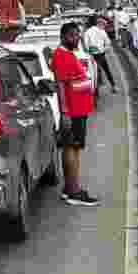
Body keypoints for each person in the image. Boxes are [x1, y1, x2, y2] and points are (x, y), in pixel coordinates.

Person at [50, 22, 100, 206]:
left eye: (78, 35)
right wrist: (65, 113)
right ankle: (74, 191)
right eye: (72, 35)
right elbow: (61, 86)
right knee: (73, 148)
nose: (76, 38)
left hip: (78, 110)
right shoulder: (61, 55)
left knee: (73, 147)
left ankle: (69, 188)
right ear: (63, 37)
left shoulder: (69, 54)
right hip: (73, 111)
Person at [85, 15, 118, 94]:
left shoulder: (87, 32)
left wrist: (89, 52)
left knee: (94, 73)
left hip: (91, 56)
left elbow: (86, 45)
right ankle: (113, 86)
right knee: (107, 70)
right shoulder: (102, 32)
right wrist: (103, 49)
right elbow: (108, 43)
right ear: (98, 23)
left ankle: (95, 91)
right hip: (101, 54)